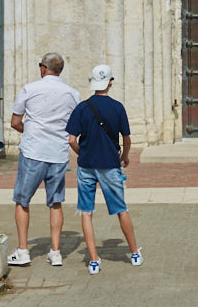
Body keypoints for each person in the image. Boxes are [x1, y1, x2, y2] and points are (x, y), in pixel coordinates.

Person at [66, 64, 141, 274]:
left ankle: (94, 260)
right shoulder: (118, 107)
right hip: (110, 164)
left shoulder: (82, 107)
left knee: (86, 212)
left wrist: (82, 152)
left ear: (91, 82)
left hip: (86, 166)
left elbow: (71, 139)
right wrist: (125, 156)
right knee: (120, 209)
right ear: (110, 82)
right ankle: (134, 253)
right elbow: (126, 138)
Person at [7, 52, 80, 267]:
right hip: (58, 154)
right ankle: (55, 252)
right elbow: (76, 125)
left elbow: (14, 121)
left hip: (33, 151)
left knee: (22, 200)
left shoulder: (30, 89)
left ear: (42, 68)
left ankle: (22, 251)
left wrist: (29, 130)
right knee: (55, 202)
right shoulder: (72, 94)